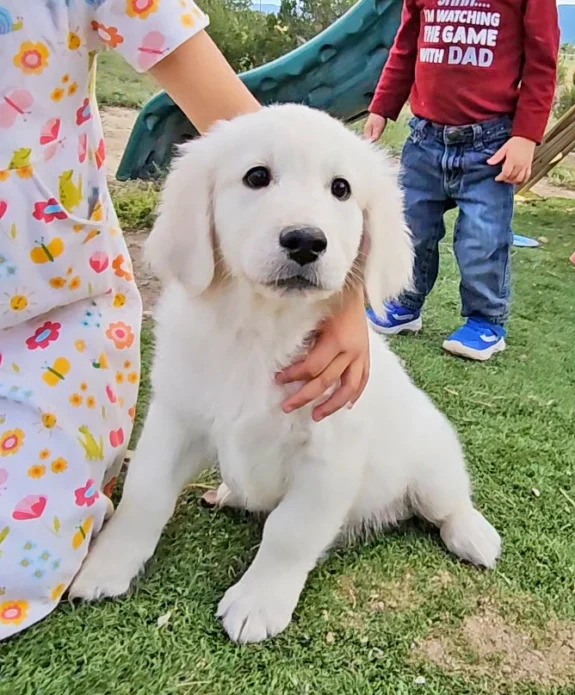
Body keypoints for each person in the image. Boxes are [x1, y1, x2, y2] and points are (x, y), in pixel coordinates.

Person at [0, 0, 368, 640]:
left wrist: (352, 294)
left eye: (340, 193)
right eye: (257, 179)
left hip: (47, 313)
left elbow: (254, 140)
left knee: (17, 565)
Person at [364, 0, 559, 361]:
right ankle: (405, 303)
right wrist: (382, 106)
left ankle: (486, 320)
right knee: (411, 228)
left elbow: (541, 61)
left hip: (490, 144)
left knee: (482, 237)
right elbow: (406, 46)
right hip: (425, 140)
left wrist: (526, 136)